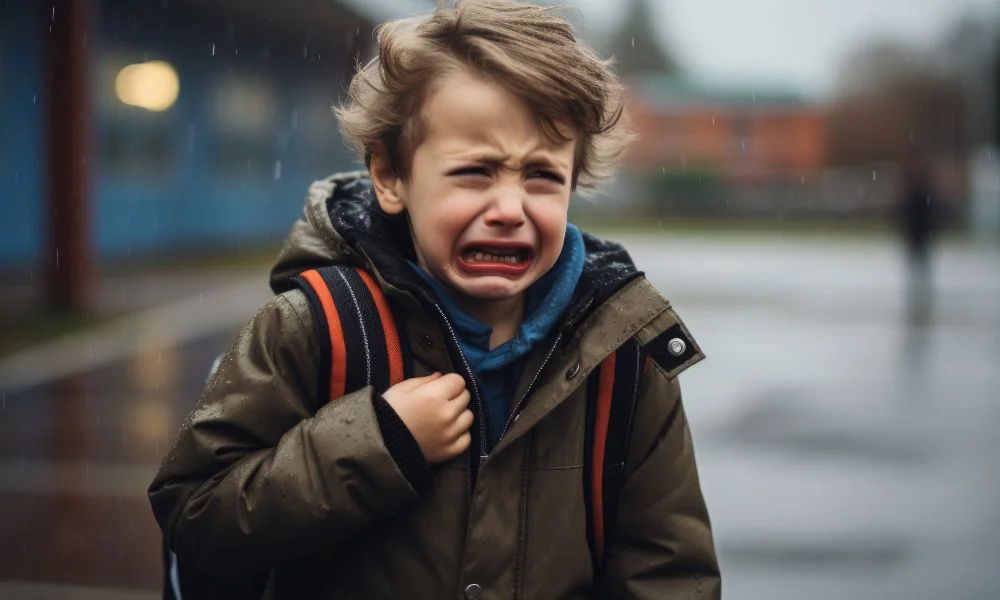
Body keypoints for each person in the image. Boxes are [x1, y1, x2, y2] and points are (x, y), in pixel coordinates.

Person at [148, 1, 720, 597]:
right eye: (475, 171)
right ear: (391, 177)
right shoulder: (316, 327)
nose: (509, 209)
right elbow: (196, 513)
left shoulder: (623, 355)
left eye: (543, 176)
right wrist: (378, 443)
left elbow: (670, 574)